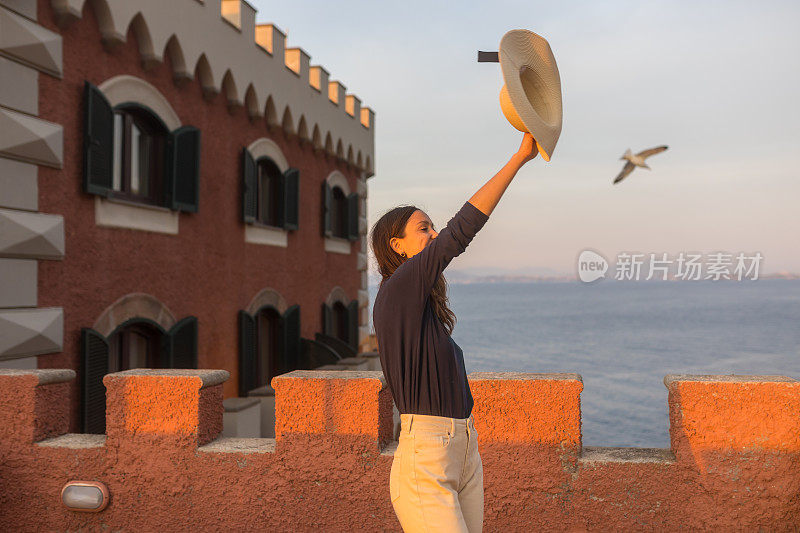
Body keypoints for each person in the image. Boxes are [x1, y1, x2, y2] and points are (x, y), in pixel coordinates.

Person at [370, 133, 539, 532]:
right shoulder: (398, 290)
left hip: (463, 450)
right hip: (426, 455)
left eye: (432, 228)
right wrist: (518, 159)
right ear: (398, 246)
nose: (433, 235)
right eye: (423, 229)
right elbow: (461, 231)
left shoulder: (420, 306)